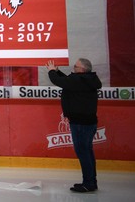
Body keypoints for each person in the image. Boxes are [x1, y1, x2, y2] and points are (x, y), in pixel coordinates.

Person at [47, 58, 102, 193]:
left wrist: (52, 72)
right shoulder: (86, 79)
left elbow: (59, 82)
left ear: (82, 69)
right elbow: (68, 82)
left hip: (80, 123)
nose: (73, 68)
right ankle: (91, 181)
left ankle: (88, 183)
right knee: (87, 152)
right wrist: (58, 71)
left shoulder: (80, 80)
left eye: (75, 66)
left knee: (83, 152)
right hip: (87, 122)